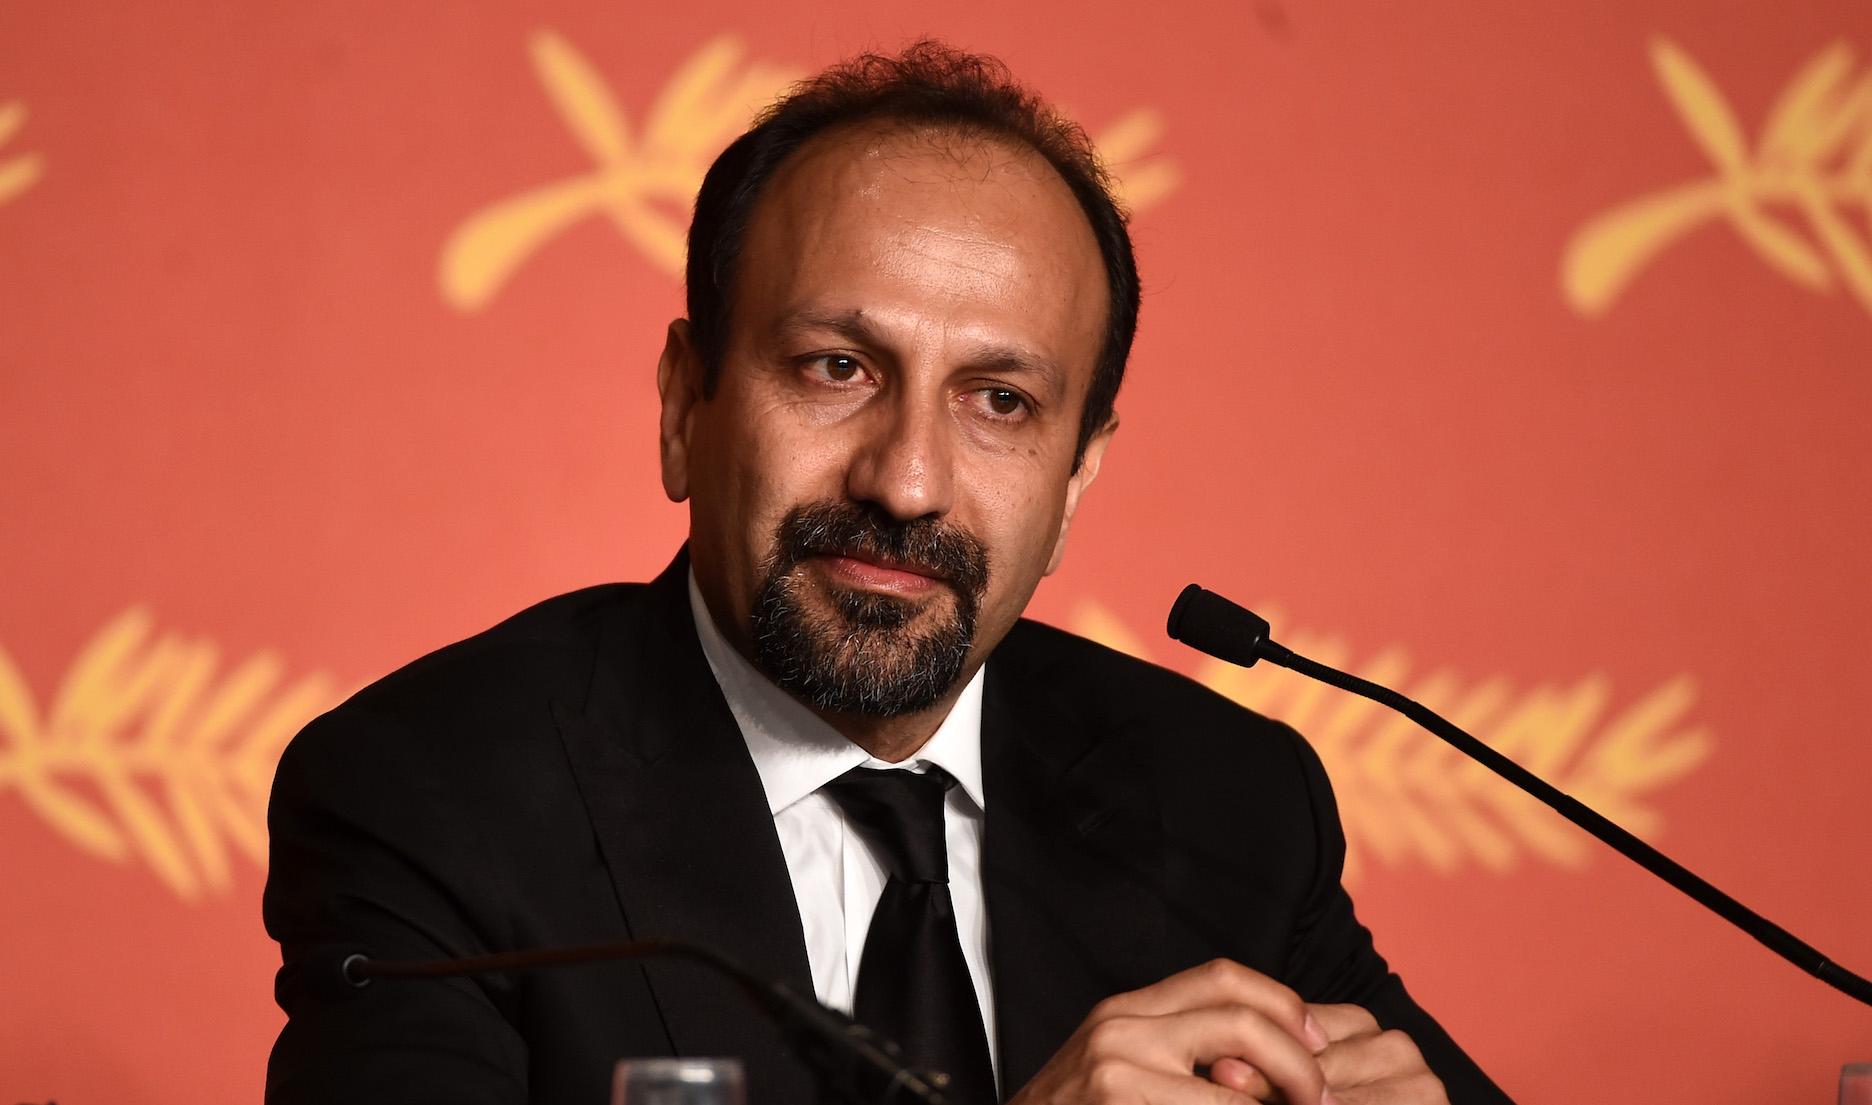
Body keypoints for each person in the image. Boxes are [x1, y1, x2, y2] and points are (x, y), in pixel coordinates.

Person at [264, 41, 1513, 1105]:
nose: (906, 481)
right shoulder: (431, 800)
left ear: (1076, 480)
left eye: (1001, 401)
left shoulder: (1226, 804)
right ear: (685, 406)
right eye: (837, 370)